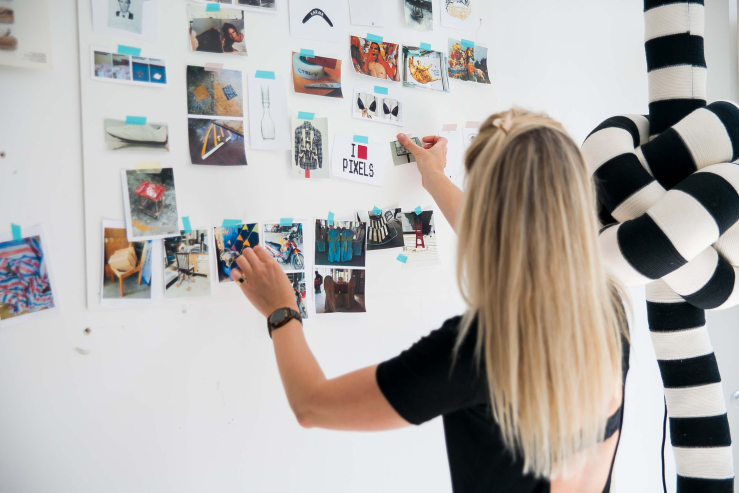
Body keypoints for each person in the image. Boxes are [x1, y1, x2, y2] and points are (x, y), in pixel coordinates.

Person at [229, 108, 629, 493]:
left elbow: (311, 404)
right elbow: (508, 241)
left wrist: (281, 310)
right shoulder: (608, 304)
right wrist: (433, 176)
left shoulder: (484, 351)